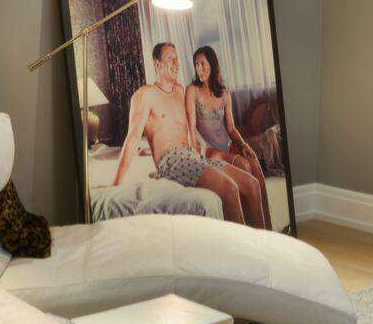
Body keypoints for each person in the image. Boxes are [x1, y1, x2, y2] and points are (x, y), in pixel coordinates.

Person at [113, 42, 266, 227]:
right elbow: (132, 139)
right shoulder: (145, 94)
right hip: (171, 160)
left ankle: (266, 240)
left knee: (251, 184)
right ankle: (242, 244)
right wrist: (116, 184)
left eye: (177, 58)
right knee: (229, 188)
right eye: (170, 58)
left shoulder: (180, 91)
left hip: (192, 156)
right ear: (157, 64)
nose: (176, 63)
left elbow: (187, 129)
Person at [185, 45, 273, 229]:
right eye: (196, 64)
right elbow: (191, 128)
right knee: (243, 166)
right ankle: (250, 226)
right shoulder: (192, 90)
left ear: (212, 64)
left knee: (254, 163)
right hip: (209, 150)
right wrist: (195, 156)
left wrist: (244, 144)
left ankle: (267, 227)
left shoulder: (224, 93)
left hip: (227, 145)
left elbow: (231, 128)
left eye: (203, 64)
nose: (199, 69)